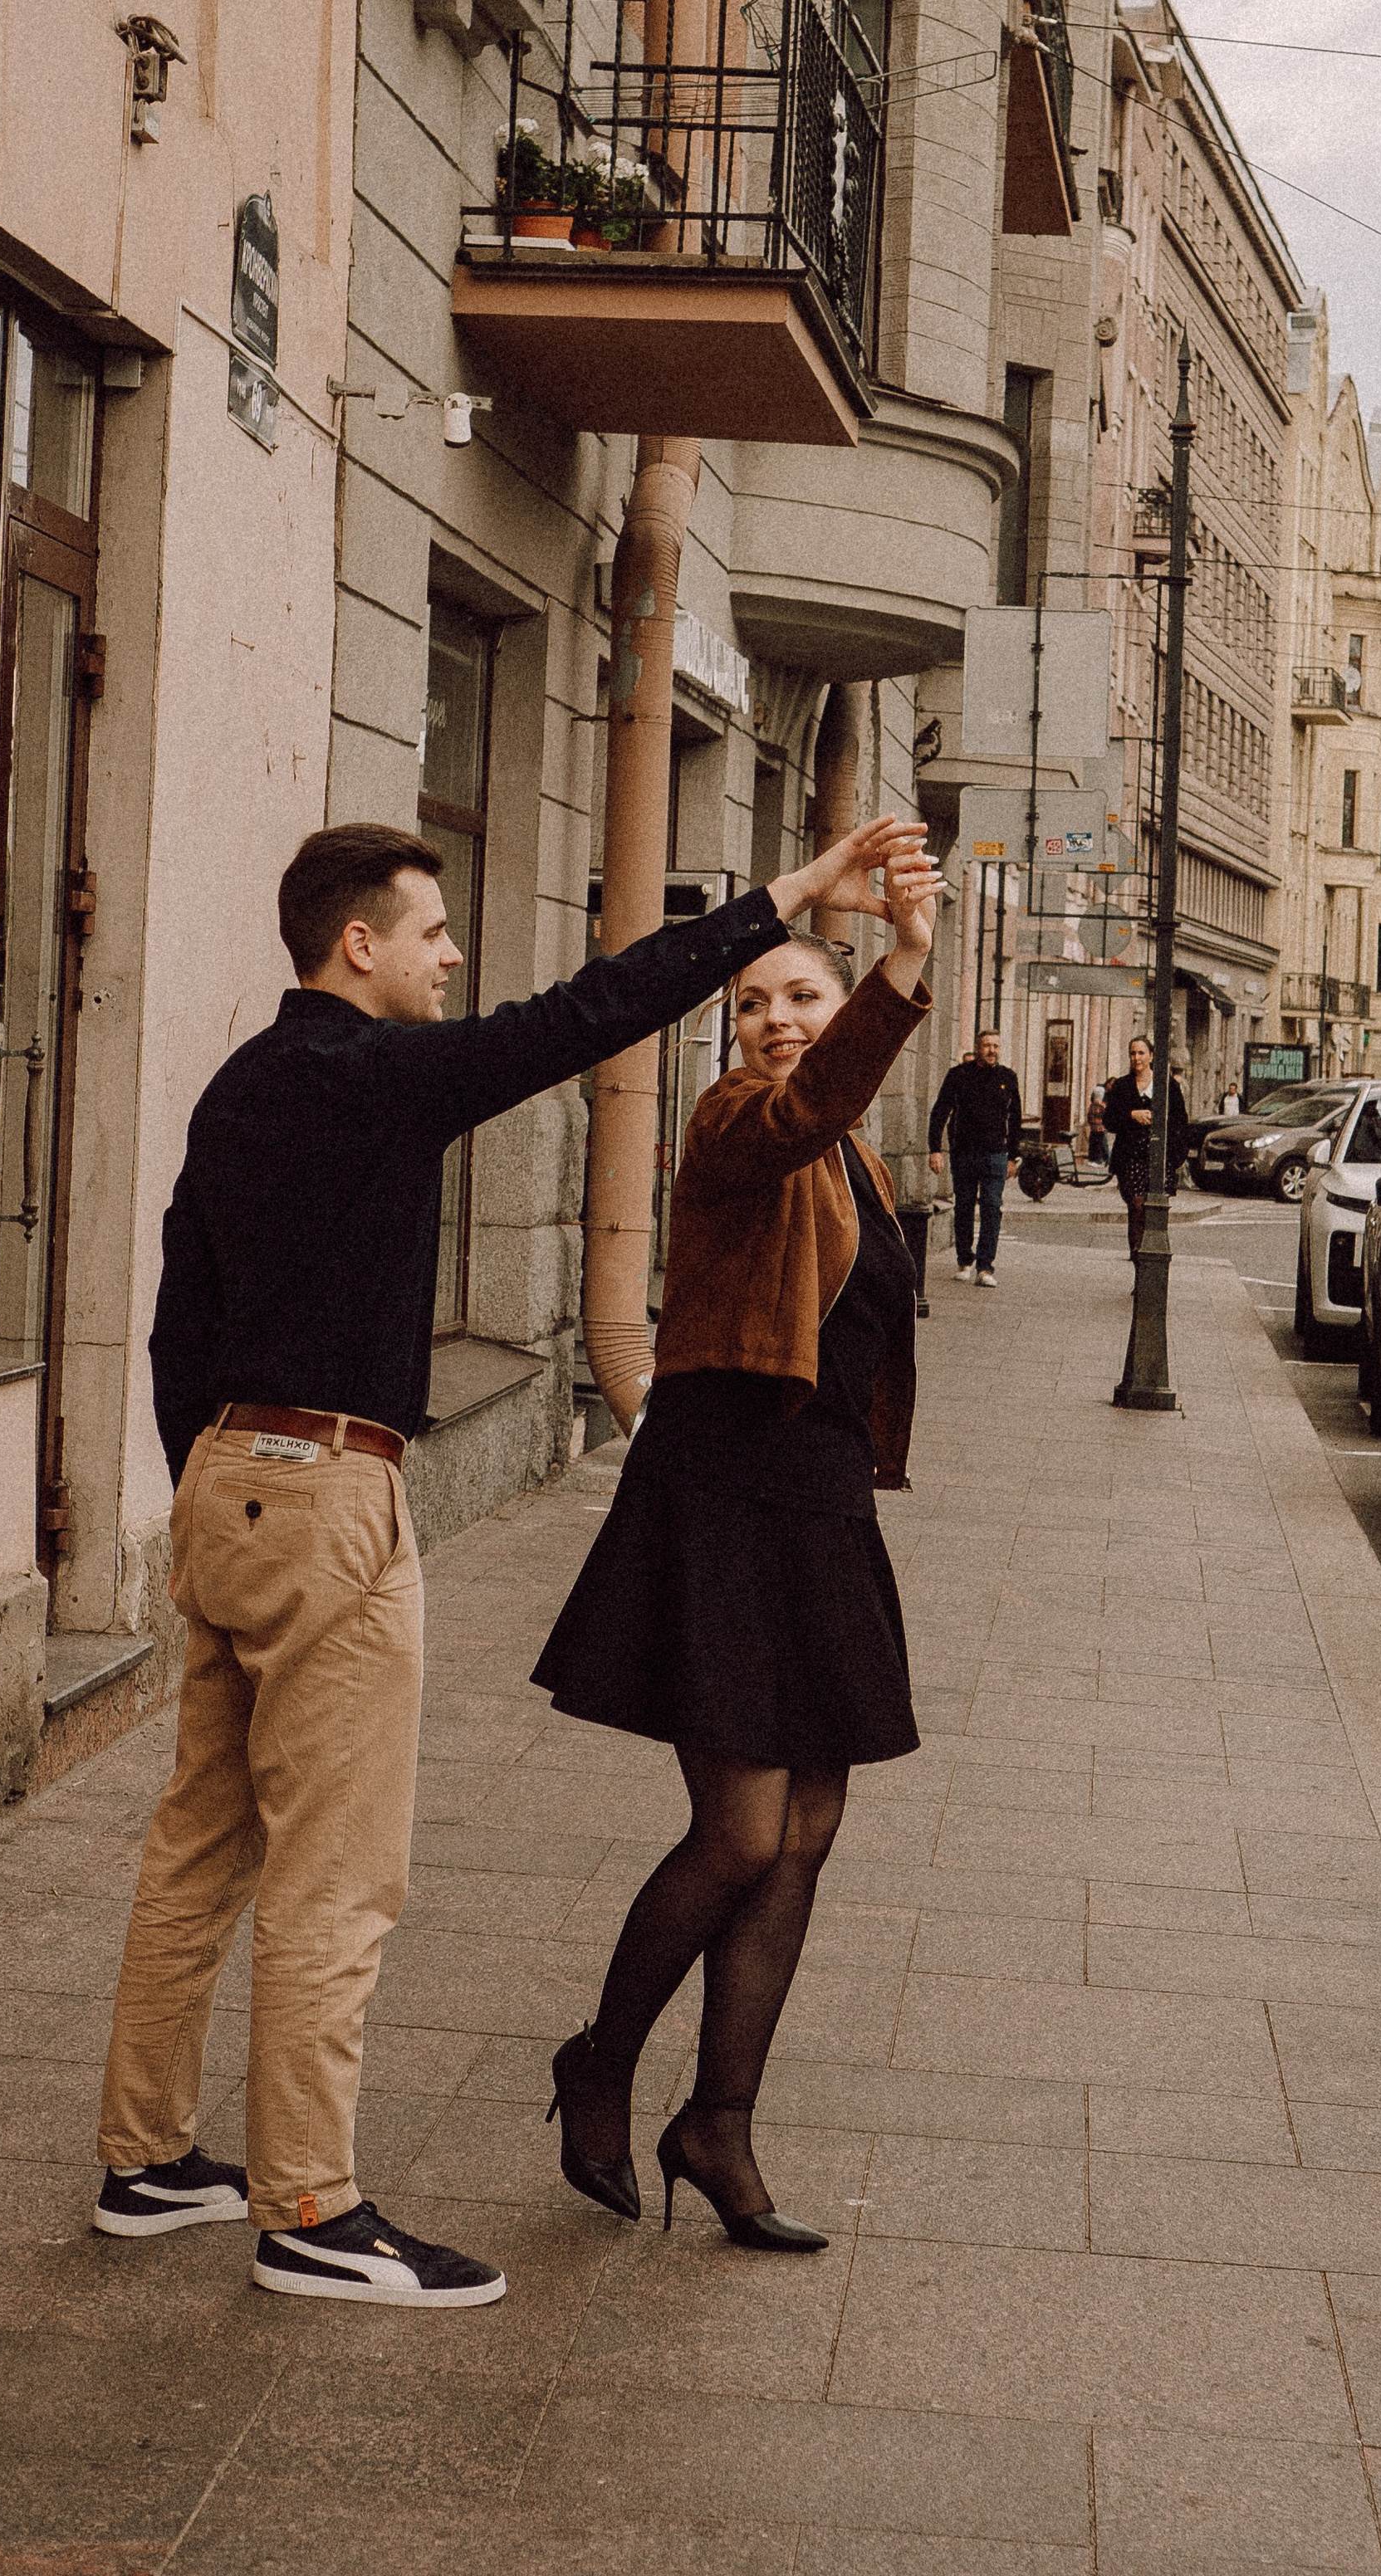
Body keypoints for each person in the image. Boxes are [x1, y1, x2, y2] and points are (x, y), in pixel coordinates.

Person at [92, 809, 922, 2312]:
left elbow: (179, 1306)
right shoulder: (381, 1075)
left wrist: (209, 1483)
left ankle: (145, 2161)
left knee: (200, 1846)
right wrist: (788, 896)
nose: (451, 957)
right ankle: (310, 2211)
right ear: (360, 945)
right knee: (339, 1878)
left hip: (230, 1478)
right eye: (430, 933)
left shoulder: (244, 1082)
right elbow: (594, 1010)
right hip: (328, 1486)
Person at [531, 843, 942, 2251]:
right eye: (754, 1003)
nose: (777, 1019)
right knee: (742, 1829)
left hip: (817, 1508)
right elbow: (810, 1106)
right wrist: (902, 962)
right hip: (722, 1500)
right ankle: (601, 2061)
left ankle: (719, 2122)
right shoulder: (734, 1126)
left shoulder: (857, 1161)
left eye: (803, 996)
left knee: (809, 1829)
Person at [928, 1024, 1024, 1285]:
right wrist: (935, 1149)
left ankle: (985, 1268)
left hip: (996, 1154)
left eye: (996, 1046)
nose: (992, 1051)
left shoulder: (1008, 1077)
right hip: (964, 1153)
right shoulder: (959, 1075)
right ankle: (964, 1261)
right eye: (987, 1046)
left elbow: (1015, 1120)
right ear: (977, 1048)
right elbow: (940, 1112)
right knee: (964, 1207)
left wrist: (1013, 1157)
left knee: (992, 1208)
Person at [1104, 1032, 1189, 1259]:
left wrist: (1176, 1155)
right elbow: (1109, 1120)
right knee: (1137, 1205)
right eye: (1132, 1053)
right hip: (1130, 1157)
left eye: (1141, 1053)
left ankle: (1153, 1256)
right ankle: (1138, 1255)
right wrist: (1132, 1115)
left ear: (1151, 1056)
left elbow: (1181, 1121)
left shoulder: (1167, 1085)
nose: (1136, 1058)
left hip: (1158, 1157)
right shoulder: (1122, 1086)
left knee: (1156, 1211)